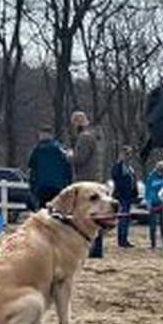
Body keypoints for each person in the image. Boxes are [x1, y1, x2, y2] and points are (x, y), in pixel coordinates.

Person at [69, 111, 106, 259]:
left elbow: (79, 159)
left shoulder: (84, 138)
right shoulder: (95, 137)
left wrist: (68, 154)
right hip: (95, 179)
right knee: (97, 214)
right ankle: (97, 249)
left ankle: (91, 249)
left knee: (86, 215)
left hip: (86, 181)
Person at [27, 128, 73, 209]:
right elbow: (67, 167)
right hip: (58, 185)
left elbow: (32, 169)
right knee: (56, 209)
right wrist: (68, 182)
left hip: (42, 185)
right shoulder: (60, 149)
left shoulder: (37, 150)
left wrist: (32, 186)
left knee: (43, 209)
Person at [110, 147, 139, 248]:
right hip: (121, 196)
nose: (129, 156)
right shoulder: (118, 167)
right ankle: (121, 240)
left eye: (130, 154)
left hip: (129, 196)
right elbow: (115, 177)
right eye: (127, 154)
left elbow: (133, 180)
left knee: (126, 219)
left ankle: (125, 239)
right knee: (122, 218)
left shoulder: (130, 167)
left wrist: (135, 193)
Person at [143, 155, 163, 250]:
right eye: (159, 170)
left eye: (162, 170)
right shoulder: (151, 176)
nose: (161, 172)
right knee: (152, 225)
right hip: (153, 202)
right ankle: (153, 243)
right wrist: (148, 202)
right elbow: (147, 190)